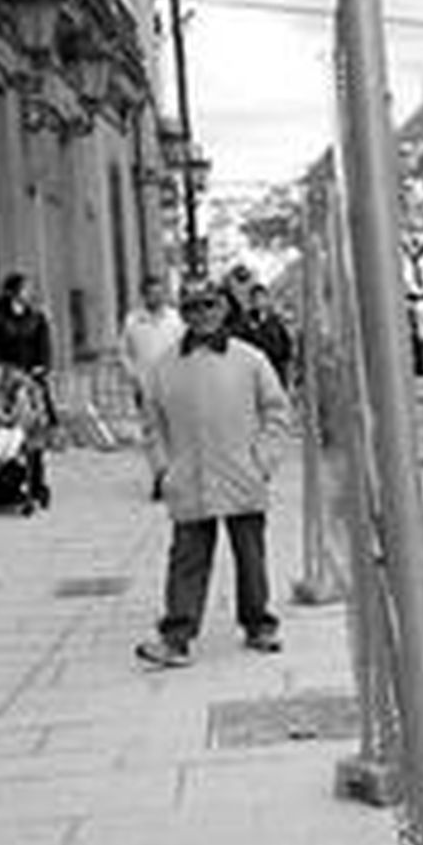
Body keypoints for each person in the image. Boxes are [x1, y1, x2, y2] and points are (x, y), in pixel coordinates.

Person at [134, 277, 292, 668]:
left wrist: (263, 461)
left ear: (223, 308)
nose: (201, 314)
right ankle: (177, 637)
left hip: (242, 471)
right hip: (189, 476)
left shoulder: (250, 359)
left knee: (250, 553)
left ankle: (259, 624)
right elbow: (151, 425)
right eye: (191, 307)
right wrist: (163, 469)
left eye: (208, 305)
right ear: (183, 313)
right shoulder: (163, 367)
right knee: (187, 556)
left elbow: (277, 412)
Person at [0, 272, 54, 507]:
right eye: (26, 289)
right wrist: (1, 372)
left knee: (34, 435)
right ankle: (10, 483)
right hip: (7, 383)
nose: (30, 293)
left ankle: (37, 484)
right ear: (13, 292)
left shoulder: (37, 318)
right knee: (8, 433)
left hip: (32, 383)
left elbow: (45, 350)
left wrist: (41, 368)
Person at [120, 275, 185, 500]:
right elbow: (124, 353)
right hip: (145, 386)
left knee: (175, 433)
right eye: (152, 293)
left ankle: (175, 474)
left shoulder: (175, 320)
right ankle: (160, 475)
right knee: (152, 434)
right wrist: (133, 376)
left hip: (174, 384)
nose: (156, 297)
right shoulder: (133, 321)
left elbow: (185, 349)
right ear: (143, 295)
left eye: (160, 292)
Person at [236, 283, 295, 389]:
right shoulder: (245, 323)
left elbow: (287, 348)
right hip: (255, 374)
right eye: (256, 298)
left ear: (267, 299)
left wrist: (289, 376)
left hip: (276, 371)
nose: (259, 301)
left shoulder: (276, 322)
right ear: (251, 301)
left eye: (262, 297)